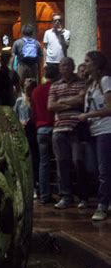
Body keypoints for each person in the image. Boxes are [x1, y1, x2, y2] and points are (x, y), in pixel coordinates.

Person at [47, 57, 87, 209]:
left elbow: (82, 100)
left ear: (73, 66)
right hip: (59, 128)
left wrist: (62, 102)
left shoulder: (81, 82)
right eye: (63, 65)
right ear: (59, 68)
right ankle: (66, 196)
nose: (65, 68)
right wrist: (72, 101)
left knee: (78, 162)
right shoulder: (55, 86)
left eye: (68, 65)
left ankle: (83, 196)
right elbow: (50, 106)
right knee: (61, 163)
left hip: (76, 127)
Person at [77, 51, 111, 222]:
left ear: (96, 64)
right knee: (92, 167)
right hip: (92, 130)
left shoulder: (105, 81)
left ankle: (102, 205)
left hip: (105, 129)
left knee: (103, 170)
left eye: (88, 61)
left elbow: (109, 108)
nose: (85, 64)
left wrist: (88, 116)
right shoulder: (90, 85)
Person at [31, 63, 59, 204]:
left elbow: (34, 112)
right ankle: (61, 193)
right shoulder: (56, 89)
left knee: (44, 163)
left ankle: (45, 194)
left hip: (41, 129)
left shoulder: (36, 91)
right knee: (60, 162)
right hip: (55, 126)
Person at [14, 78, 39, 196]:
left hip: (33, 131)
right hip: (23, 132)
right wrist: (20, 123)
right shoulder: (20, 101)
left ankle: (35, 185)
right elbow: (14, 116)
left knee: (34, 158)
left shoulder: (35, 100)